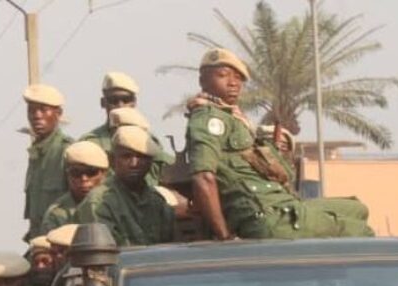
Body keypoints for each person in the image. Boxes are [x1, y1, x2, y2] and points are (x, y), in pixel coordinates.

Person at [186, 47, 374, 240]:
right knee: (359, 230)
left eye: (238, 78)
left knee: (359, 209)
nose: (233, 83)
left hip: (281, 204)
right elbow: (203, 178)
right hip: (268, 214)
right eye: (223, 75)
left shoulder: (233, 118)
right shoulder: (209, 119)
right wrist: (225, 235)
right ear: (203, 81)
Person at [74, 126, 175, 246]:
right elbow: (102, 251)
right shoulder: (99, 202)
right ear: (112, 160)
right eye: (126, 156)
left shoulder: (158, 202)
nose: (134, 164)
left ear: (150, 162)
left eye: (141, 157)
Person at [78, 72, 174, 186]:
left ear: (134, 102)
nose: (120, 105)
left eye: (126, 99)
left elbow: (167, 168)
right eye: (113, 100)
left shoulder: (148, 140)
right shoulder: (90, 142)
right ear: (103, 103)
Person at [22, 83, 74, 241]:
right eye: (32, 110)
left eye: (43, 110)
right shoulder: (36, 155)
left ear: (58, 113)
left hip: (63, 242)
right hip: (40, 242)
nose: (37, 116)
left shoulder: (67, 151)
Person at [39, 141, 109, 235]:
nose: (84, 179)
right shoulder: (57, 214)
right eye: (76, 173)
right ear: (68, 175)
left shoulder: (115, 203)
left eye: (91, 172)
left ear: (104, 174)